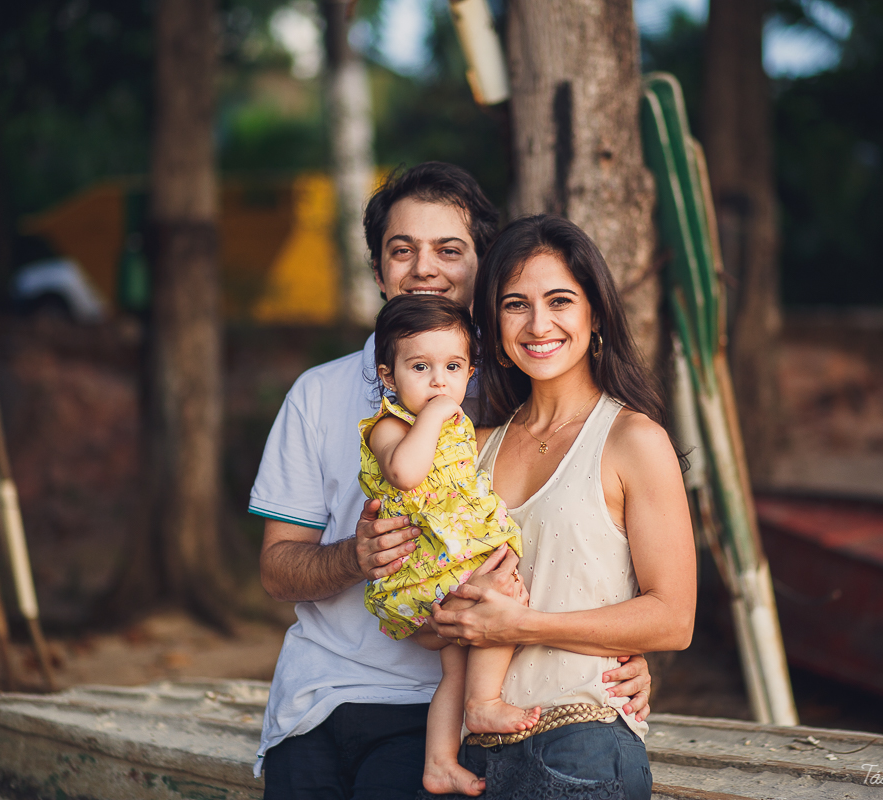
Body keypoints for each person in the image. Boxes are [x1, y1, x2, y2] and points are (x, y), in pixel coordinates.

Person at [250, 163, 654, 799]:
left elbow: (573, 540)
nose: (424, 268)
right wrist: (356, 557)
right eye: (401, 250)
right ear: (378, 270)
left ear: (481, 266)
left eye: (449, 249)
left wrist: (617, 655)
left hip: (442, 705)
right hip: (316, 697)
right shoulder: (318, 393)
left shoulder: (514, 391)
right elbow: (277, 570)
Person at [421, 214, 698, 799]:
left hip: (582, 745)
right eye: (515, 305)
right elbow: (436, 619)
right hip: (471, 758)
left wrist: (524, 626)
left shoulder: (632, 440)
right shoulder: (469, 447)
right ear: (493, 324)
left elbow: (674, 619)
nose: (538, 324)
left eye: (560, 301)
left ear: (594, 314)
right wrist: (436, 612)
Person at [360, 294, 541, 796]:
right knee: (497, 596)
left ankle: (439, 761)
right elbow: (405, 473)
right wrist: (435, 416)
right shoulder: (390, 426)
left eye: (453, 367)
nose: (439, 381)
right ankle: (483, 705)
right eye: (421, 367)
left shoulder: (454, 423)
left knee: (455, 667)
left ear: (470, 372)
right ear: (389, 376)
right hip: (425, 567)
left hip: (447, 558)